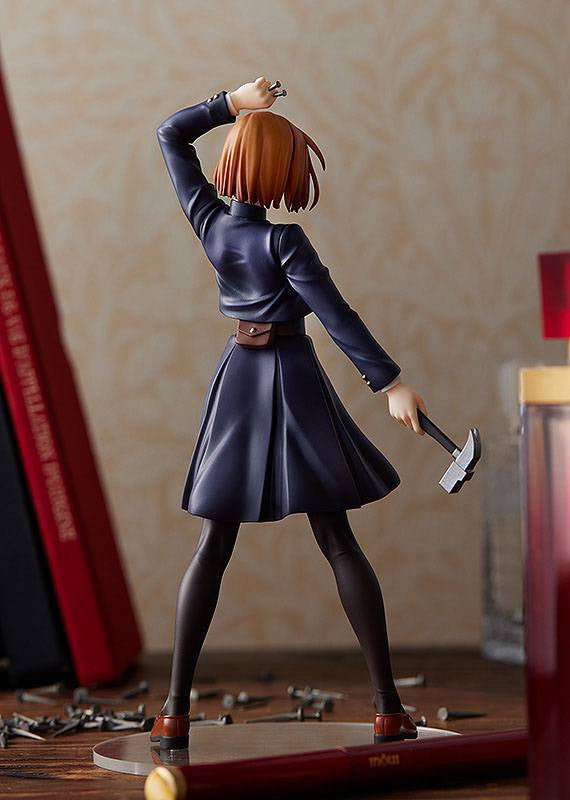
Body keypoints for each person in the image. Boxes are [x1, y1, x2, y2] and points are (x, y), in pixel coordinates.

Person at [150, 77, 427, 750]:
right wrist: (389, 383)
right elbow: (337, 316)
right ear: (280, 173)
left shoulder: (210, 223)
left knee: (214, 543)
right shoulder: (285, 243)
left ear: (233, 161)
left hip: (238, 380)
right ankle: (388, 707)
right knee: (336, 537)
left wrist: (230, 104)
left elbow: (170, 134)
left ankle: (173, 711)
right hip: (292, 379)